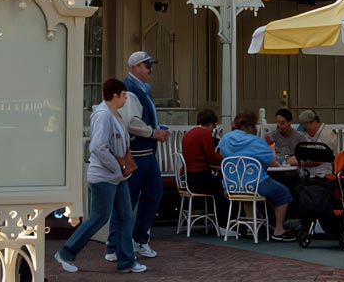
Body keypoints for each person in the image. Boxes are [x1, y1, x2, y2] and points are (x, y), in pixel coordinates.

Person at [55, 78, 147, 274]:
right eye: (123, 95)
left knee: (124, 217)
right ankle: (66, 252)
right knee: (100, 217)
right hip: (106, 176)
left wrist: (118, 169)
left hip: (115, 176)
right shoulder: (104, 115)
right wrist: (117, 167)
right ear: (115, 95)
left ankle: (126, 262)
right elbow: (97, 146)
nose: (125, 99)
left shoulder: (111, 114)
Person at [217, 110, 297, 241]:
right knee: (283, 194)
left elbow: (222, 156)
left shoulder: (226, 139)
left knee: (248, 196)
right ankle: (279, 230)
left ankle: (251, 227)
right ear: (250, 126)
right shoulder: (256, 142)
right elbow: (271, 160)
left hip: (233, 185)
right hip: (256, 183)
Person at [120, 51, 169, 259]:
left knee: (152, 195)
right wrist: (153, 132)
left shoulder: (139, 89)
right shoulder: (131, 90)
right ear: (135, 67)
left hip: (147, 152)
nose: (150, 69)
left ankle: (139, 239)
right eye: (146, 65)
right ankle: (121, 243)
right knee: (129, 199)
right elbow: (131, 122)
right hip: (138, 153)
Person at [181, 107, 232, 235]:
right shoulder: (204, 134)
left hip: (189, 177)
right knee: (223, 193)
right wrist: (226, 159)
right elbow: (212, 158)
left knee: (216, 188)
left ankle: (216, 223)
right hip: (200, 177)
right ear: (212, 123)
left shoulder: (189, 133)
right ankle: (224, 227)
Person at [298, 109, 339, 178]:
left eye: (305, 127)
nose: (304, 130)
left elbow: (320, 160)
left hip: (323, 175)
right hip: (308, 174)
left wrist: (300, 163)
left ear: (313, 122)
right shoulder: (308, 134)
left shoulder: (327, 135)